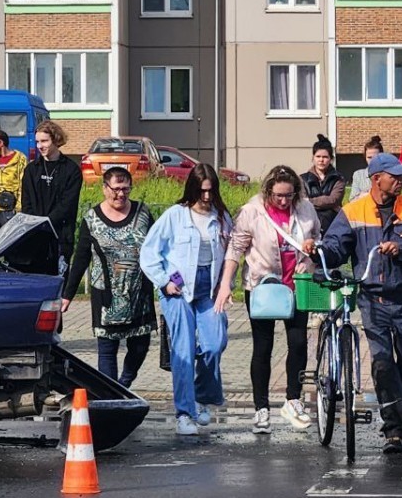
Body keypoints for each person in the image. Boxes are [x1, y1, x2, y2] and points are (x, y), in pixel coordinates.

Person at [319, 153, 402, 454]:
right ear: (377, 179)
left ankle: (400, 405)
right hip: (372, 299)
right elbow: (336, 248)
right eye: (395, 176)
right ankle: (395, 431)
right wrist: (317, 251)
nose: (401, 181)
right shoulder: (353, 211)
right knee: (383, 362)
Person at [214, 164, 319, 435]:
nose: (284, 201)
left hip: (297, 284)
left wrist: (310, 256)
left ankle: (293, 400)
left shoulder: (305, 209)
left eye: (289, 195)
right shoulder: (253, 211)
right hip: (263, 286)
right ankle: (261, 408)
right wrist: (226, 285)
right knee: (263, 347)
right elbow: (235, 249)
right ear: (268, 191)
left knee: (297, 343)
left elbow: (317, 237)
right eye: (278, 196)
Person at [140, 164, 231, 436]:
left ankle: (203, 397)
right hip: (177, 291)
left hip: (208, 290)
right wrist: (163, 281)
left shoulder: (222, 217)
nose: (206, 197)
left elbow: (231, 255)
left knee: (215, 343)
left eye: (211, 191)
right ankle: (184, 412)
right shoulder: (175, 216)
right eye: (202, 191)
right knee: (184, 350)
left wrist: (226, 285)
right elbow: (149, 252)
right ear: (192, 189)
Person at [62, 166, 156, 390]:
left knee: (140, 347)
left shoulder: (143, 213)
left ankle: (124, 383)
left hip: (138, 295)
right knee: (107, 350)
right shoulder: (92, 218)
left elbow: (158, 248)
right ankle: (112, 396)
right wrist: (67, 295)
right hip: (107, 297)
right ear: (105, 188)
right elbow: (81, 258)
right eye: (116, 189)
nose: (121, 195)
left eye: (126, 189)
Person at [20, 119, 83, 274]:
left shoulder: (71, 170)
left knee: (59, 286)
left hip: (60, 236)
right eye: (37, 142)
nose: (40, 146)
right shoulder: (31, 170)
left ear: (55, 140)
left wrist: (48, 222)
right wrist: (36, 223)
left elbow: (67, 204)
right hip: (35, 236)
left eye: (44, 141)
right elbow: (26, 203)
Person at [300, 134, 345, 235]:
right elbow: (302, 203)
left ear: (331, 159)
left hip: (333, 225)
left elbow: (334, 200)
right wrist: (326, 202)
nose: (321, 160)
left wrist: (310, 201)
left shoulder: (338, 178)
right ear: (313, 158)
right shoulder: (302, 179)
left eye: (325, 157)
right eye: (318, 156)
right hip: (309, 224)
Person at [0, 129, 27, 222]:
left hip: (13, 210)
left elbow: (24, 186)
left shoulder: (20, 160)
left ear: (0, 143)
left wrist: (19, 210)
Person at [349, 135, 384, 199]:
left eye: (375, 157)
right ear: (365, 157)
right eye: (369, 157)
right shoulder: (358, 175)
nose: (372, 161)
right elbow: (352, 200)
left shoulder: (388, 175)